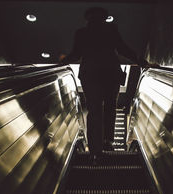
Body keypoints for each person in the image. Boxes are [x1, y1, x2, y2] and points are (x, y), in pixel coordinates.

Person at [60, 7, 149, 158]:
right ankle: (107, 141)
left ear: (87, 18)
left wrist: (62, 62)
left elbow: (76, 54)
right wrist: (140, 61)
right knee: (110, 108)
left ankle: (95, 148)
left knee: (94, 110)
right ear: (104, 18)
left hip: (91, 75)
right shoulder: (110, 30)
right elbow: (122, 49)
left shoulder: (82, 33)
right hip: (110, 74)